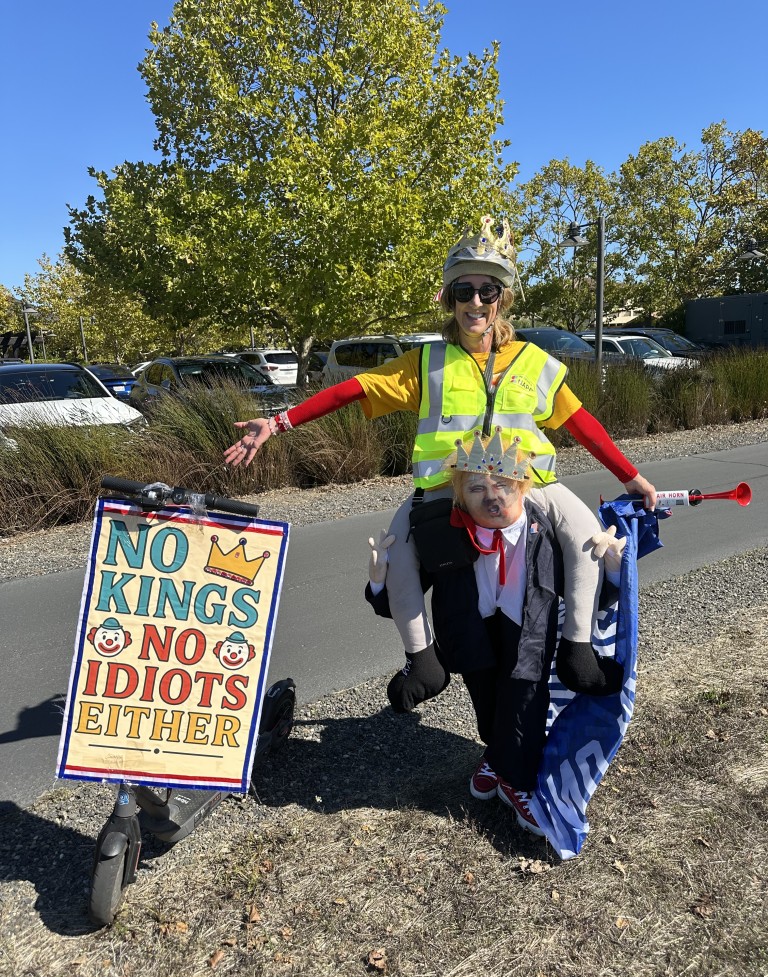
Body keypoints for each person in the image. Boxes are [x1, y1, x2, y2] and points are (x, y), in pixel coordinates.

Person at [224, 214, 656, 708]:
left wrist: (632, 476)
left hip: (529, 485)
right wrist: (277, 423)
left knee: (585, 536)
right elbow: (352, 389)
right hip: (445, 490)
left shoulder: (534, 362)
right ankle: (423, 660)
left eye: (487, 291)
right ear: (448, 299)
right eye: (464, 291)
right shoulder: (425, 363)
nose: (476, 302)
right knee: (396, 555)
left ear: (502, 299)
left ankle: (577, 652)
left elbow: (581, 423)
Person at [367, 430, 628, 837]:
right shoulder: (448, 532)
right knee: (486, 701)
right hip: (471, 629)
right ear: (460, 497)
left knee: (525, 704)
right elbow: (405, 595)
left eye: (503, 485)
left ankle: (517, 782)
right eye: (477, 489)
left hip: (529, 628)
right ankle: (496, 754)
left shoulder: (544, 530)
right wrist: (379, 581)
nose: (493, 498)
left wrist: (611, 569)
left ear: (522, 486)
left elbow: (585, 588)